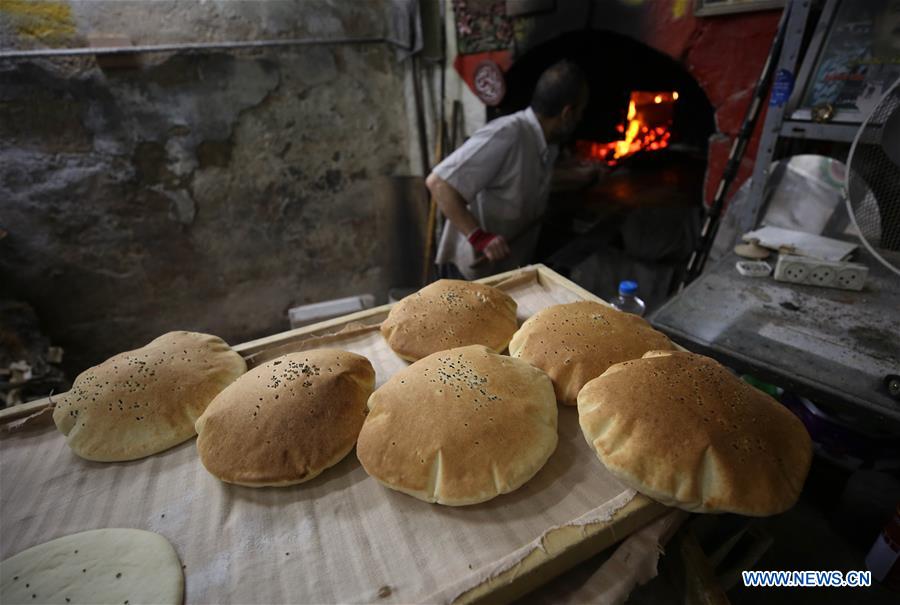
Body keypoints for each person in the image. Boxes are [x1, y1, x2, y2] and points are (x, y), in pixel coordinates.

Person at [426, 60, 592, 280]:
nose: (581, 118)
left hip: (504, 269)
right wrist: (479, 237)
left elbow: (526, 179)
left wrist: (580, 177)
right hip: (469, 272)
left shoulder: (546, 144)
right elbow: (439, 183)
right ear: (567, 113)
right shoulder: (507, 134)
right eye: (580, 111)